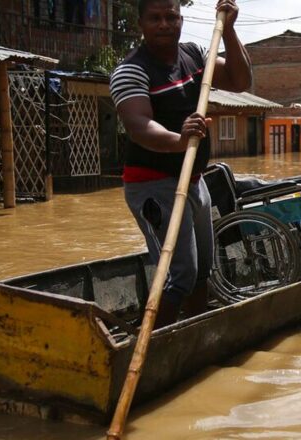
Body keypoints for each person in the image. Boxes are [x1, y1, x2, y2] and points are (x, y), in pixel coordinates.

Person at [109, 0, 252, 327]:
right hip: (153, 183)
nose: (164, 24)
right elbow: (139, 126)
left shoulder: (195, 54)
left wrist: (228, 30)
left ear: (180, 19)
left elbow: (239, 81)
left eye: (171, 17)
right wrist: (180, 139)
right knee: (179, 274)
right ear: (140, 25)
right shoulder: (131, 70)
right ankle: (155, 346)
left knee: (202, 269)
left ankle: (195, 332)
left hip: (194, 178)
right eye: (155, 18)